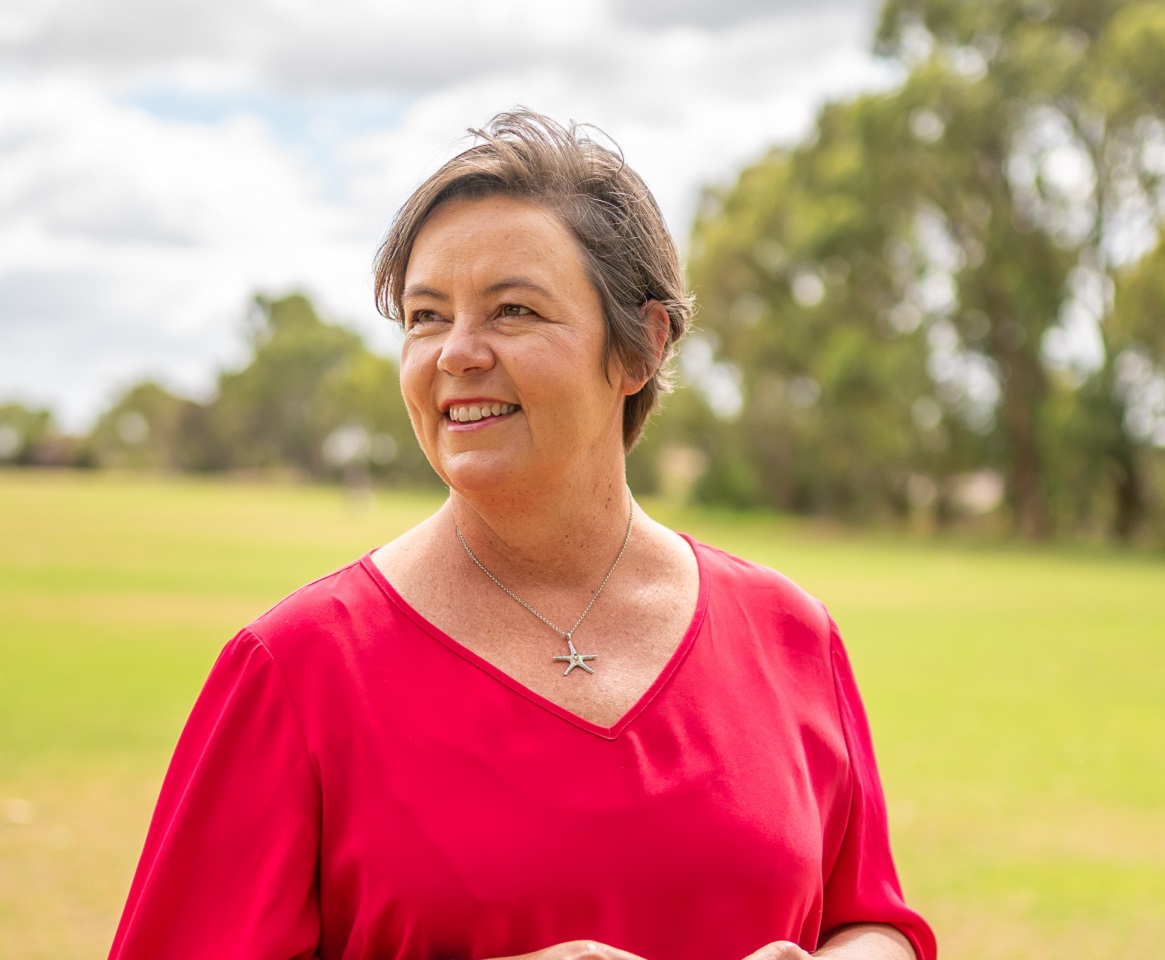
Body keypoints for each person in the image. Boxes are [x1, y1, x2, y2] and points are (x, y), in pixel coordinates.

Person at [109, 109, 936, 960]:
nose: (456, 353)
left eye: (512, 310)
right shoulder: (296, 670)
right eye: (426, 317)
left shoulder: (790, 636)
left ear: (642, 348)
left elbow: (872, 921)